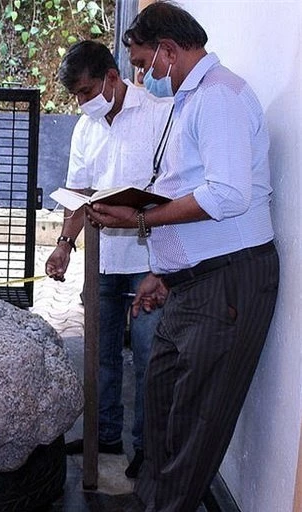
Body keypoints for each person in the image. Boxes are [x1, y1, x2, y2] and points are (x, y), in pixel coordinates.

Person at [87, 2, 280, 510]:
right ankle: (155, 502)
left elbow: (226, 195)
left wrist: (142, 221)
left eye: (146, 64)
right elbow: (183, 184)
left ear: (169, 51)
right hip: (193, 282)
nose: (145, 76)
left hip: (228, 283)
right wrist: (162, 271)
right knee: (165, 405)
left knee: (195, 422)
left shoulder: (219, 97)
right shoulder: (189, 99)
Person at [45, 40, 172, 479]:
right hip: (102, 259)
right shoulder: (87, 127)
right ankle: (104, 435)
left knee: (147, 352)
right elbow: (78, 192)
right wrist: (64, 243)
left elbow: (173, 190)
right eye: (76, 96)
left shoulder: (159, 116)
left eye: (86, 91)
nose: (83, 103)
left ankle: (145, 449)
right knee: (100, 355)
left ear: (112, 78)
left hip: (147, 259)